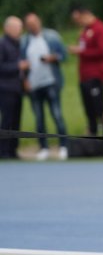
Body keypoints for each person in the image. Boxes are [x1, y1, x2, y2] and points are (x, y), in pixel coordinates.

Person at [21, 13, 70, 161]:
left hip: (51, 82)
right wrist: (25, 80)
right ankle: (43, 147)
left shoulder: (51, 36)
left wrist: (52, 58)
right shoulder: (24, 41)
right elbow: (21, 62)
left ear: (39, 21)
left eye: (34, 22)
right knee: (39, 118)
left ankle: (63, 146)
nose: (33, 26)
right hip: (34, 85)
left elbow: (64, 55)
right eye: (29, 24)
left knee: (57, 114)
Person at [68, 5, 103, 136]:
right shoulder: (85, 31)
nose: (77, 23)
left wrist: (81, 51)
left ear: (84, 14)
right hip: (84, 76)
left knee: (99, 107)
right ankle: (93, 135)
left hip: (96, 75)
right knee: (89, 109)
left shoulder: (100, 29)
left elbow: (102, 51)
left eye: (78, 19)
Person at [0, 17, 27, 160]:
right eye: (17, 27)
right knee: (7, 120)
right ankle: (3, 150)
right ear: (7, 28)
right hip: (5, 88)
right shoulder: (2, 44)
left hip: (17, 88)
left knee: (16, 121)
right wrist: (17, 66)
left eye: (20, 27)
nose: (19, 30)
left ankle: (13, 149)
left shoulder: (18, 44)